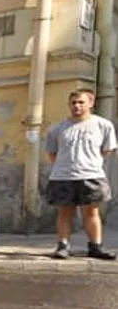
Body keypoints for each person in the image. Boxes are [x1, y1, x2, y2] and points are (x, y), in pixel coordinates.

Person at [44, 88, 117, 260]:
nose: (77, 106)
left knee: (91, 213)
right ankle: (63, 246)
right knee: (65, 213)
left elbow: (106, 150)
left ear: (91, 103)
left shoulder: (103, 125)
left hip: (91, 175)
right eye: (73, 103)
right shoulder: (58, 128)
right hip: (63, 177)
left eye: (81, 102)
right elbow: (52, 153)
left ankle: (96, 247)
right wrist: (65, 166)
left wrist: (90, 163)